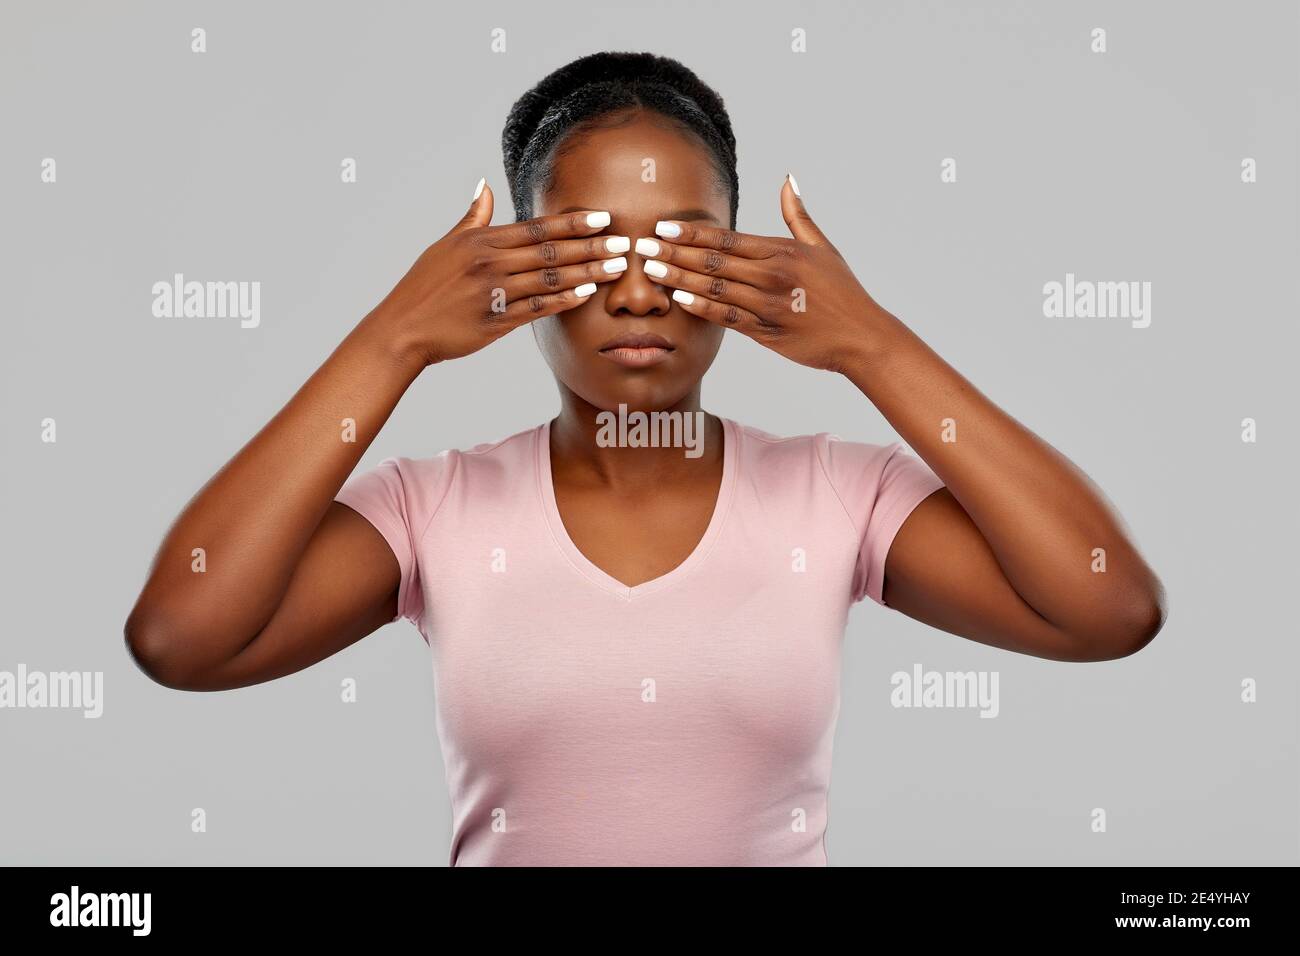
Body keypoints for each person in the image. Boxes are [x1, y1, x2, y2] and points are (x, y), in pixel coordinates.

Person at [125, 51, 1166, 866]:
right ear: (516, 265)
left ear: (744, 257)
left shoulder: (834, 497)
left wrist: (871, 342)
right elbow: (181, 635)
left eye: (679, 248)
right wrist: (392, 339)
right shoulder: (434, 508)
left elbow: (1107, 606)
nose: (635, 292)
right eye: (587, 248)